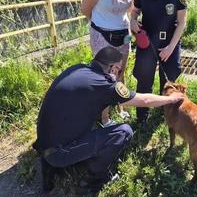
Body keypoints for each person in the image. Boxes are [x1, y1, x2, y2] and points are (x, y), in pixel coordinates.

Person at [32, 46, 184, 193]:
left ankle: (50, 170)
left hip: (44, 142)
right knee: (123, 131)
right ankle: (93, 181)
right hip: (58, 153)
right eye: (118, 69)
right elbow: (144, 101)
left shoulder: (77, 68)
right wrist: (170, 99)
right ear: (113, 68)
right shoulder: (104, 84)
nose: (117, 74)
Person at [81, 0, 142, 125]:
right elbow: (85, 9)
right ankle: (104, 118)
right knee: (105, 76)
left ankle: (120, 107)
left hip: (123, 35)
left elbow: (131, 9)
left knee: (120, 73)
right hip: (102, 34)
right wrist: (103, 26)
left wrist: (132, 22)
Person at [130, 0, 188, 124]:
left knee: (169, 80)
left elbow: (182, 22)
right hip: (148, 42)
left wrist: (171, 47)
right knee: (144, 78)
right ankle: (142, 117)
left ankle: (166, 115)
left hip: (170, 42)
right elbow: (134, 11)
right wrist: (132, 21)